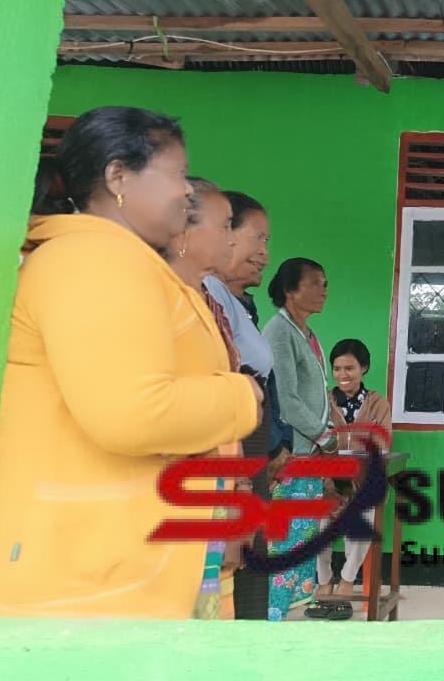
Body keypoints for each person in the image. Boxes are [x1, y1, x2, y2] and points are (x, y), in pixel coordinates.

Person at [0, 107, 261, 619]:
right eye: (176, 173)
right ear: (118, 177)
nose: (187, 190)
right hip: (87, 574)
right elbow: (133, 412)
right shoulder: (93, 261)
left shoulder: (121, 260)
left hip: (118, 562)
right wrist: (241, 397)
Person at [165, 177, 244, 620]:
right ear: (183, 230)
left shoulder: (205, 299)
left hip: (214, 484)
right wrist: (240, 395)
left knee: (209, 617)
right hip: (175, 492)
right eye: (225, 225)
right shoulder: (159, 297)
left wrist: (235, 495)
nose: (232, 239)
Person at [202, 191, 277, 621]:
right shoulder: (209, 293)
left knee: (250, 549)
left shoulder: (235, 303)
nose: (264, 253)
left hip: (251, 435)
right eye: (258, 238)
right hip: (236, 437)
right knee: (240, 551)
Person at [264, 257, 335, 621]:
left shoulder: (307, 333)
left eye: (325, 283)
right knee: (285, 542)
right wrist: (324, 435)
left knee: (303, 540)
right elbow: (287, 399)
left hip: (310, 456)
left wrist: (329, 430)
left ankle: (293, 613)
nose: (324, 291)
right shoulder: (279, 331)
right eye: (315, 283)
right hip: (290, 455)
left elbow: (316, 394)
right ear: (290, 290)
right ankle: (272, 616)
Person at [314, 339, 390, 601]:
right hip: (328, 482)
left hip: (362, 482)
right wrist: (331, 483)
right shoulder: (323, 402)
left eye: (349, 368)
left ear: (363, 368)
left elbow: (381, 444)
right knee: (319, 520)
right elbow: (315, 446)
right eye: (337, 369)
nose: (342, 375)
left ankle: (347, 579)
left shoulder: (378, 404)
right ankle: (324, 579)